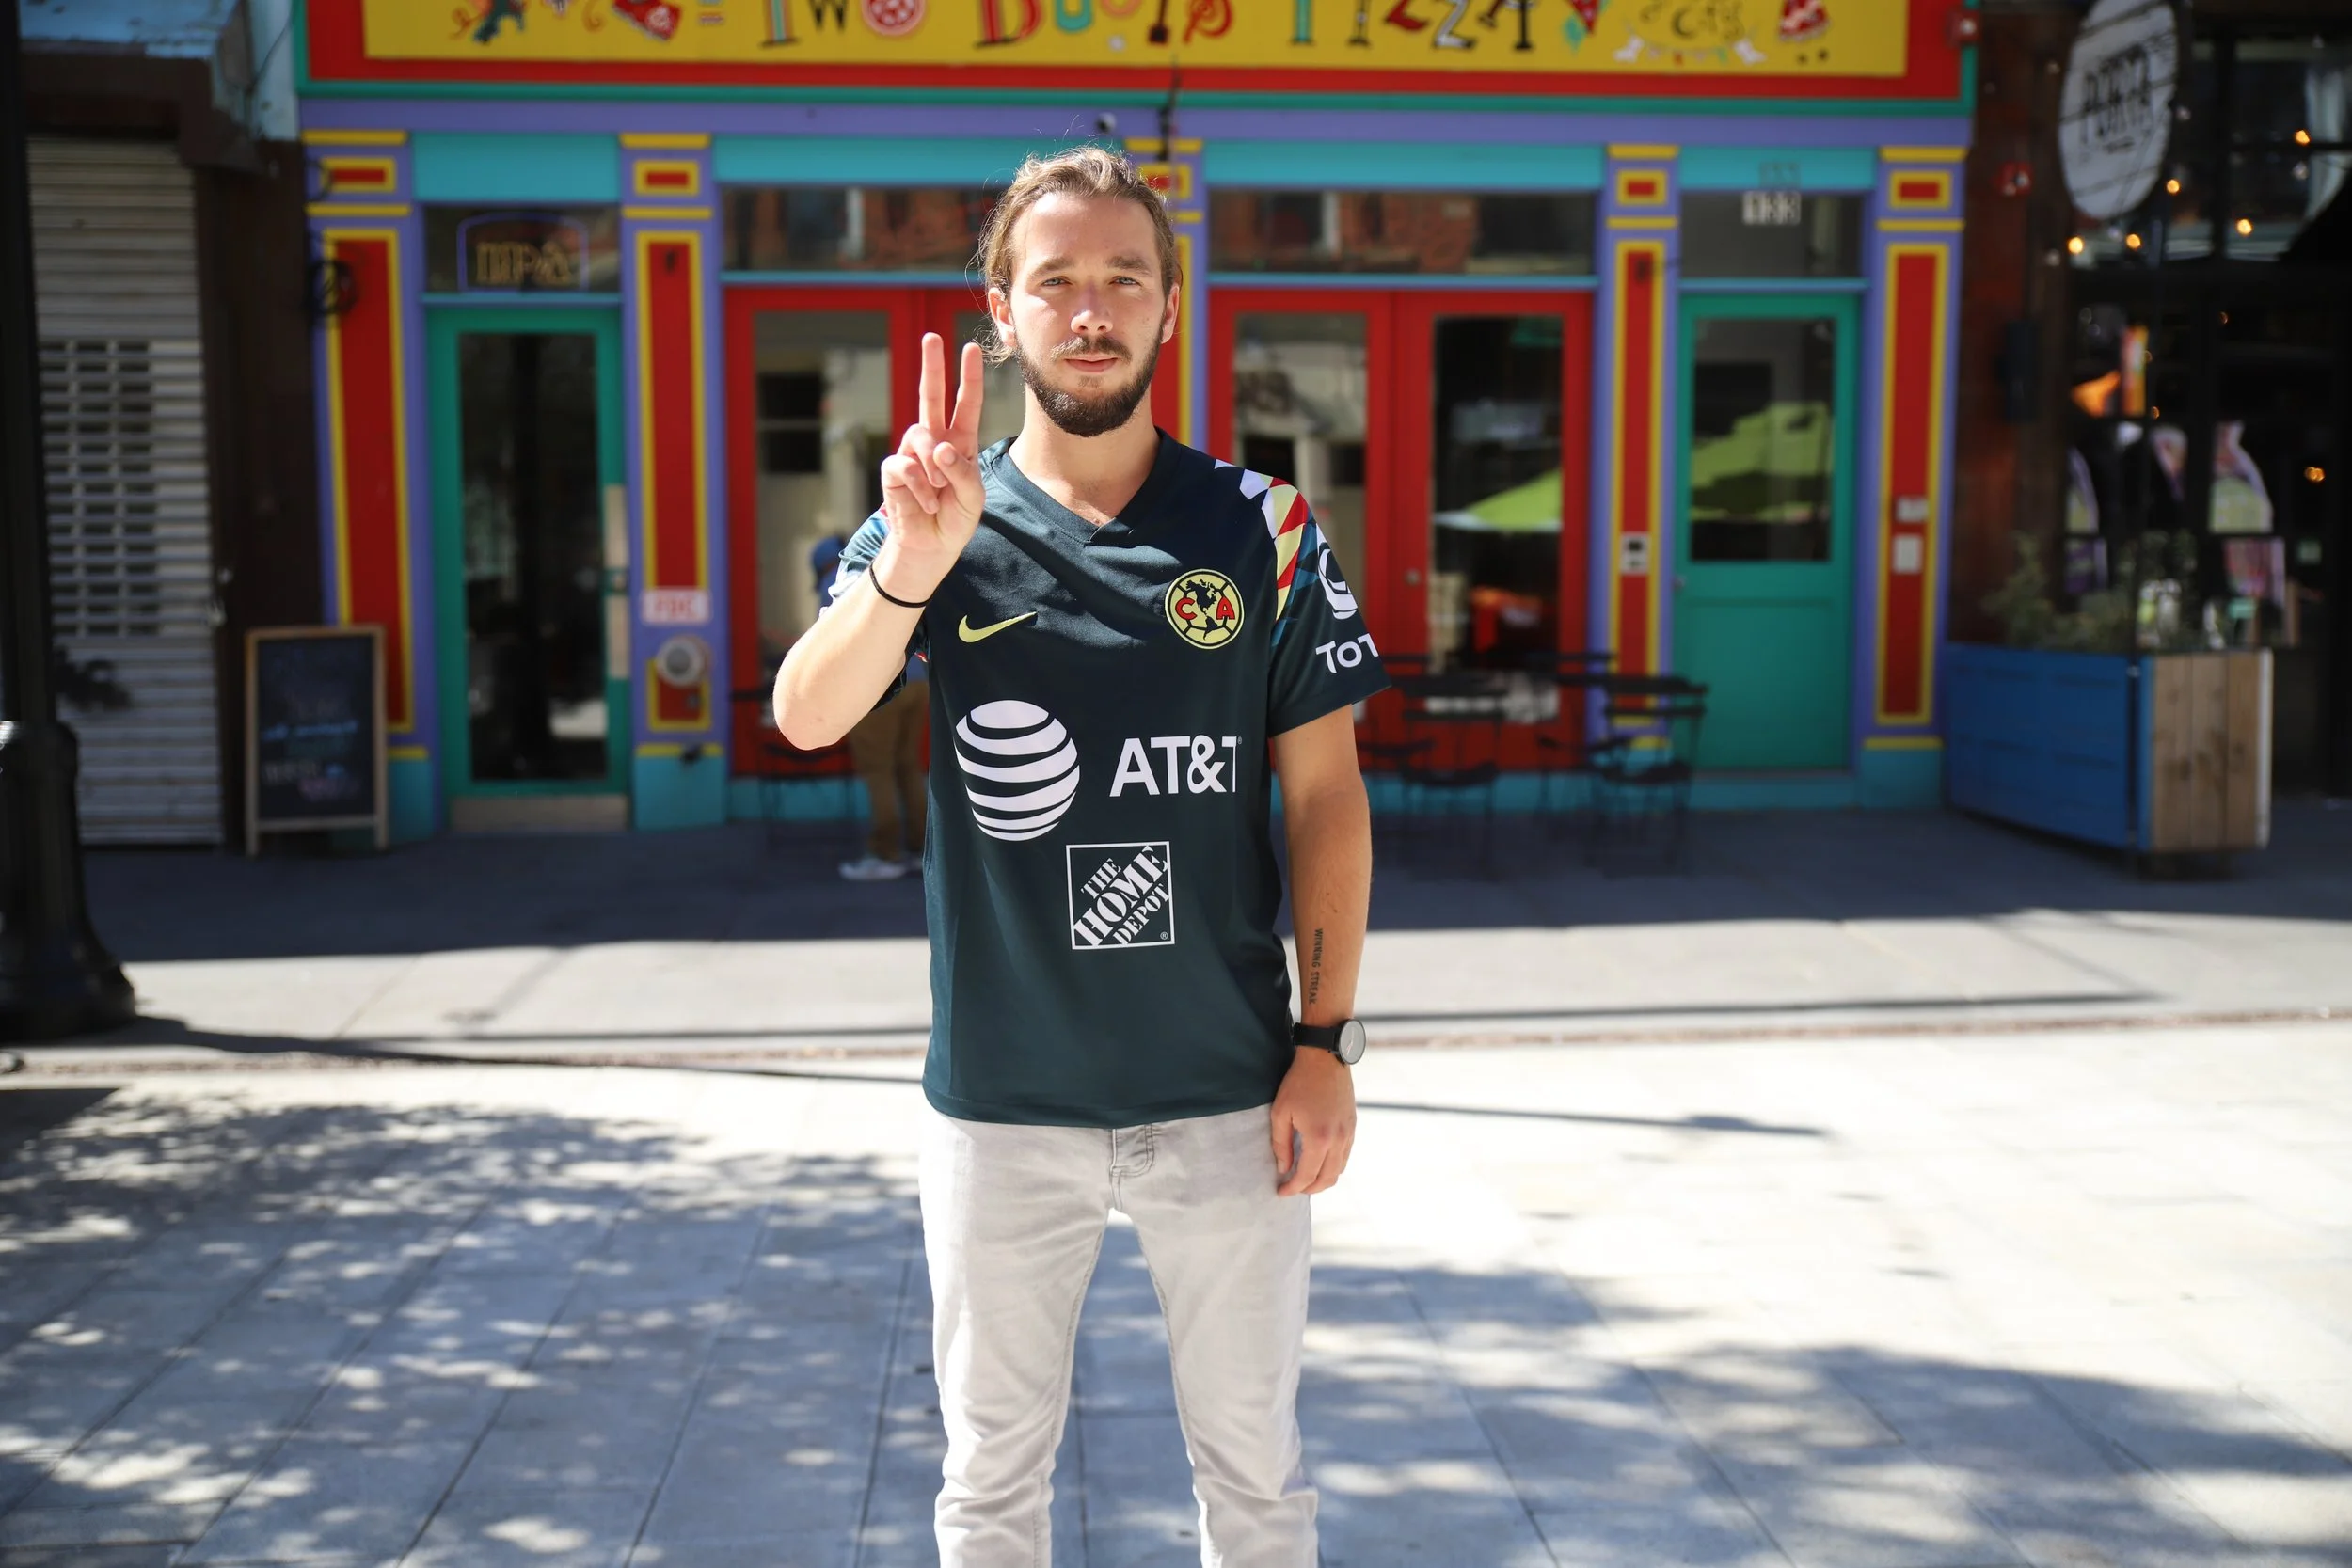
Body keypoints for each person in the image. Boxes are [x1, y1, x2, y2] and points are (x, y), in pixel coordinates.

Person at [774, 145, 1384, 1568]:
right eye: (1056, 281)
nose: (1091, 309)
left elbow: (1327, 799)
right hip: (1004, 1100)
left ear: (1173, 307)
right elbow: (807, 713)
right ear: (1003, 309)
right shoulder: (937, 512)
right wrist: (914, 561)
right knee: (991, 1478)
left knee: (1255, 1473)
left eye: (1125, 278)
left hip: (1227, 1096)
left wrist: (1327, 1037)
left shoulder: (1266, 527)